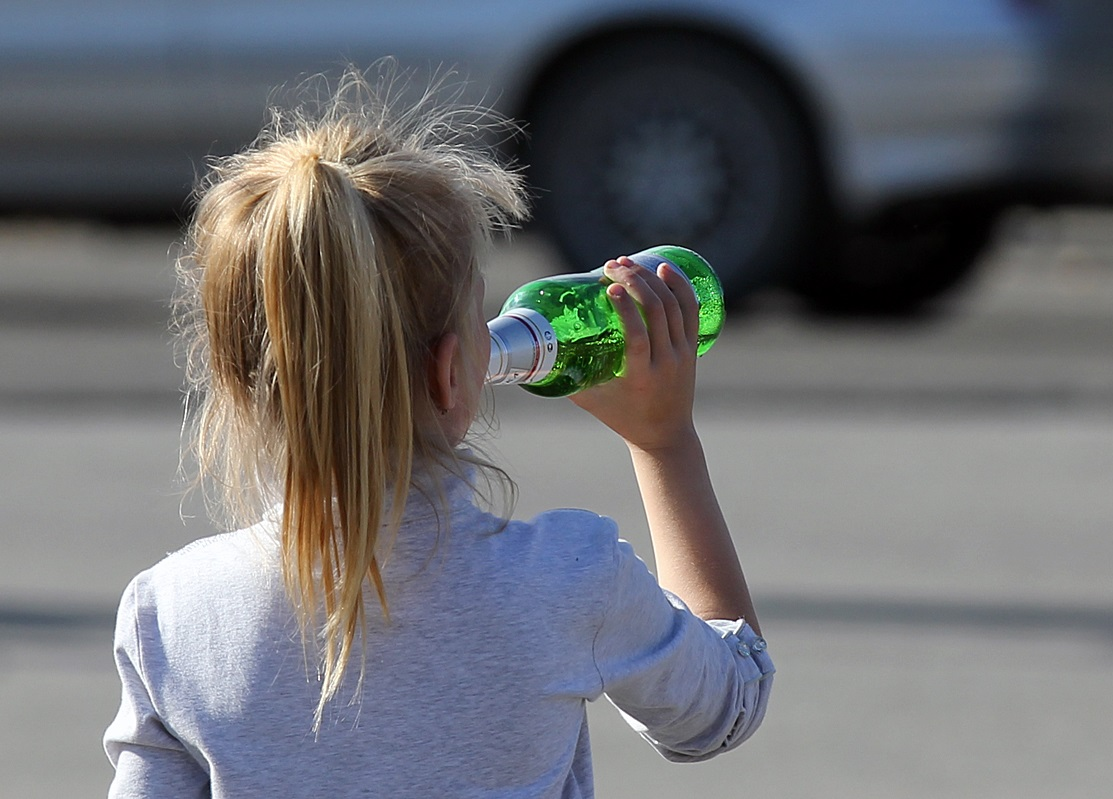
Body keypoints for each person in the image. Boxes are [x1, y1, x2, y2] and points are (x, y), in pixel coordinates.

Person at [104, 66, 773, 798]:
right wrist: (663, 444)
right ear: (453, 373)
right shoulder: (568, 576)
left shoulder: (168, 610)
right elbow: (722, 708)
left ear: (235, 380)